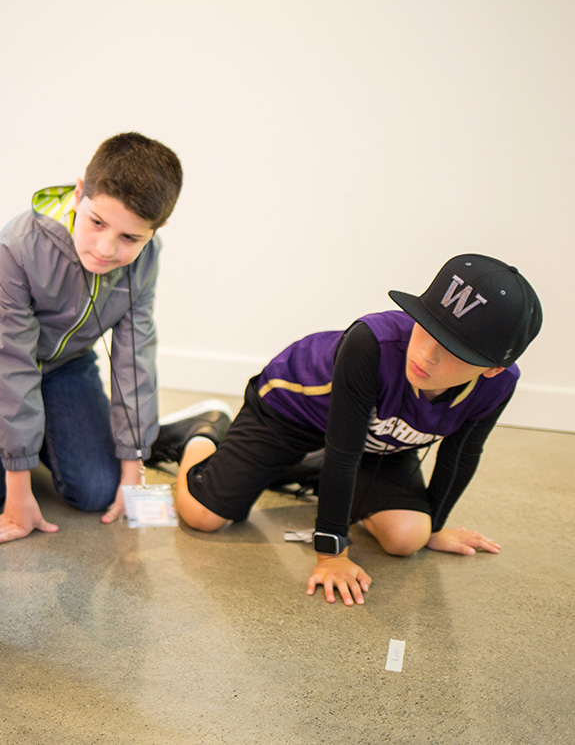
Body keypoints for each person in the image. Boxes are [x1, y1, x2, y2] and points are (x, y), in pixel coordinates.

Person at [173, 254, 543, 607]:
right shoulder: (372, 343)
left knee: (408, 538)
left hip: (380, 442)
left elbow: (461, 453)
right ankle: (202, 432)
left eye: (453, 349)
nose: (426, 354)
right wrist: (332, 553)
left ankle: (311, 471)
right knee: (202, 517)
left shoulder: (499, 385)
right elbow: (343, 452)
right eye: (426, 327)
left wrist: (436, 525)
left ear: (492, 368)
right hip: (291, 412)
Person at [0, 133, 231, 546]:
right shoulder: (18, 244)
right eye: (97, 223)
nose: (107, 249)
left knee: (96, 491)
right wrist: (19, 491)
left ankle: (166, 431)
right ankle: (28, 447)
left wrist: (134, 468)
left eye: (130, 238)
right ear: (78, 194)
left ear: (156, 230)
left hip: (66, 365)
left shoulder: (148, 257)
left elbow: (134, 357)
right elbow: (9, 362)